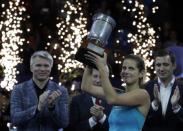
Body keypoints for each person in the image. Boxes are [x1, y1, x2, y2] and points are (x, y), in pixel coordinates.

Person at [81, 52, 150, 131]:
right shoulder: (117, 94)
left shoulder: (143, 94)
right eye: (124, 68)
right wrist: (90, 63)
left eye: (131, 68)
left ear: (141, 73)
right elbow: (86, 87)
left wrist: (102, 68)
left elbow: (112, 99)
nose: (126, 71)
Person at [10, 51, 69, 131]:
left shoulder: (61, 91)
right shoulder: (18, 90)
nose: (42, 69)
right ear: (31, 68)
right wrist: (38, 108)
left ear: (50, 68)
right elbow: (14, 120)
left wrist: (52, 108)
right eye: (38, 65)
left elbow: (64, 123)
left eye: (46, 66)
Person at [143, 49, 183, 131]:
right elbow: (141, 119)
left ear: (174, 65)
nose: (161, 69)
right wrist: (155, 104)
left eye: (165, 64)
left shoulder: (182, 88)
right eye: (158, 65)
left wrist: (176, 107)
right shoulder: (146, 87)